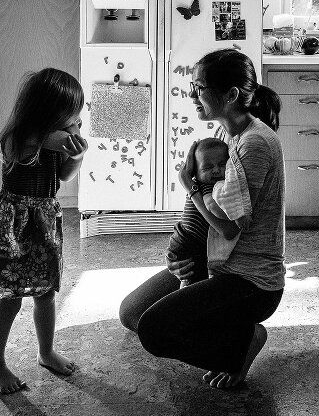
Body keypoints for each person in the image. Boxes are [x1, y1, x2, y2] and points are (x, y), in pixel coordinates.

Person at [119, 48, 285, 389]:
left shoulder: (254, 144)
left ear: (231, 95)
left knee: (154, 330)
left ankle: (243, 343)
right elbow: (202, 212)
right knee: (132, 312)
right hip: (217, 260)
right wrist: (182, 257)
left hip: (249, 281)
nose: (191, 94)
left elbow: (228, 225)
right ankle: (228, 334)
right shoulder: (226, 135)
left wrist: (191, 187)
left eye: (199, 87)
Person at [0, 68, 88, 395]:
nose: (75, 120)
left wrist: (77, 155)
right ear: (46, 112)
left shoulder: (56, 138)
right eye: (70, 113)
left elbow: (66, 175)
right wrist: (54, 138)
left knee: (46, 294)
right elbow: (25, 151)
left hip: (43, 226)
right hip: (12, 226)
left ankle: (45, 352)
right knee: (9, 302)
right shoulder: (19, 137)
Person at [165, 137, 229, 289]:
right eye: (207, 168)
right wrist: (230, 216)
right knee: (192, 276)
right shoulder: (208, 187)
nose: (216, 170)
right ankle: (185, 289)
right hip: (189, 240)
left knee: (193, 274)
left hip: (183, 239)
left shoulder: (205, 184)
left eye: (222, 165)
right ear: (195, 172)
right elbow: (211, 205)